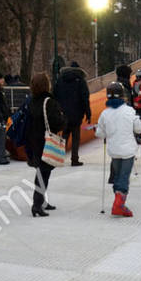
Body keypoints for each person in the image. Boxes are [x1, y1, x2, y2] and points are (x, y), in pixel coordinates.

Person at [97, 82, 141, 217]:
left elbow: (100, 134)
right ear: (123, 96)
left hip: (114, 150)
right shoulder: (129, 111)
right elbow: (138, 128)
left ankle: (118, 199)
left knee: (117, 175)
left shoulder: (105, 114)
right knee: (124, 176)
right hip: (128, 150)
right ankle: (118, 204)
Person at [24, 72, 64, 216]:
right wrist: (63, 119)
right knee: (43, 174)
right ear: (46, 85)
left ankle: (41, 202)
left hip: (33, 141)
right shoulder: (49, 102)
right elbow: (57, 123)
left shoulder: (31, 101)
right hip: (46, 142)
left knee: (41, 172)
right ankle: (37, 204)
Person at [53, 60, 91, 166]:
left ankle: (58, 158)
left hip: (63, 113)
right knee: (75, 137)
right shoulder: (81, 81)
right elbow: (85, 98)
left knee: (64, 136)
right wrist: (88, 113)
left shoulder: (60, 80)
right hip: (76, 114)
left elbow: (54, 96)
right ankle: (74, 159)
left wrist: (57, 110)